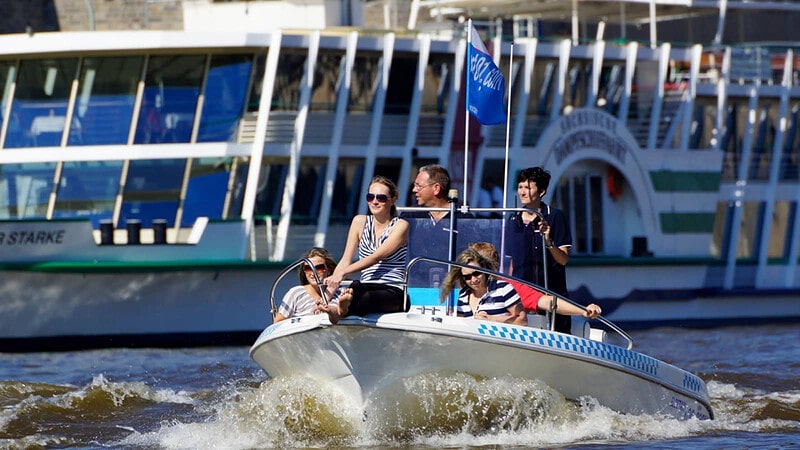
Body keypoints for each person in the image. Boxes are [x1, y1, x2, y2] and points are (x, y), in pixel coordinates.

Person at [324, 175, 409, 318]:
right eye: (370, 197)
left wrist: (341, 274)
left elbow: (377, 257)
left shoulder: (401, 225)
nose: (375, 201)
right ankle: (339, 307)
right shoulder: (359, 222)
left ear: (393, 200)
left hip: (393, 289)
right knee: (356, 286)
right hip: (365, 286)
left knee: (365, 296)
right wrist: (327, 294)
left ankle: (340, 311)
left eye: (381, 198)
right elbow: (346, 259)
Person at [505, 167, 574, 333]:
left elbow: (563, 259)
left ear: (541, 191)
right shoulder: (513, 219)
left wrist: (548, 241)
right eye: (520, 187)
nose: (522, 192)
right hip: (522, 297)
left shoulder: (555, 217)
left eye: (528, 188)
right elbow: (511, 263)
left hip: (552, 295)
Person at [468, 242, 601, 320]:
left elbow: (547, 302)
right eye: (469, 271)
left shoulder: (509, 287)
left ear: (493, 267)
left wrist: (583, 310)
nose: (472, 277)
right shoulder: (461, 288)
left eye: (479, 269)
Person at [401, 164, 473, 286]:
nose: (414, 190)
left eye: (418, 186)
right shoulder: (410, 215)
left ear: (436, 188)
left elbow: (475, 257)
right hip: (417, 288)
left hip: (452, 289)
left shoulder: (463, 218)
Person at [439, 248, 526, 324]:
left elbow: (522, 320)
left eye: (476, 273)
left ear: (484, 269)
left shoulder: (503, 288)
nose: (473, 280)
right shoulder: (463, 295)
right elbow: (462, 325)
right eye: (467, 277)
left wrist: (491, 319)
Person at [274, 247, 342, 323]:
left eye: (319, 268)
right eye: (308, 268)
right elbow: (278, 322)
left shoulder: (340, 292)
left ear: (328, 270)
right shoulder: (295, 293)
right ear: (304, 271)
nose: (313, 273)